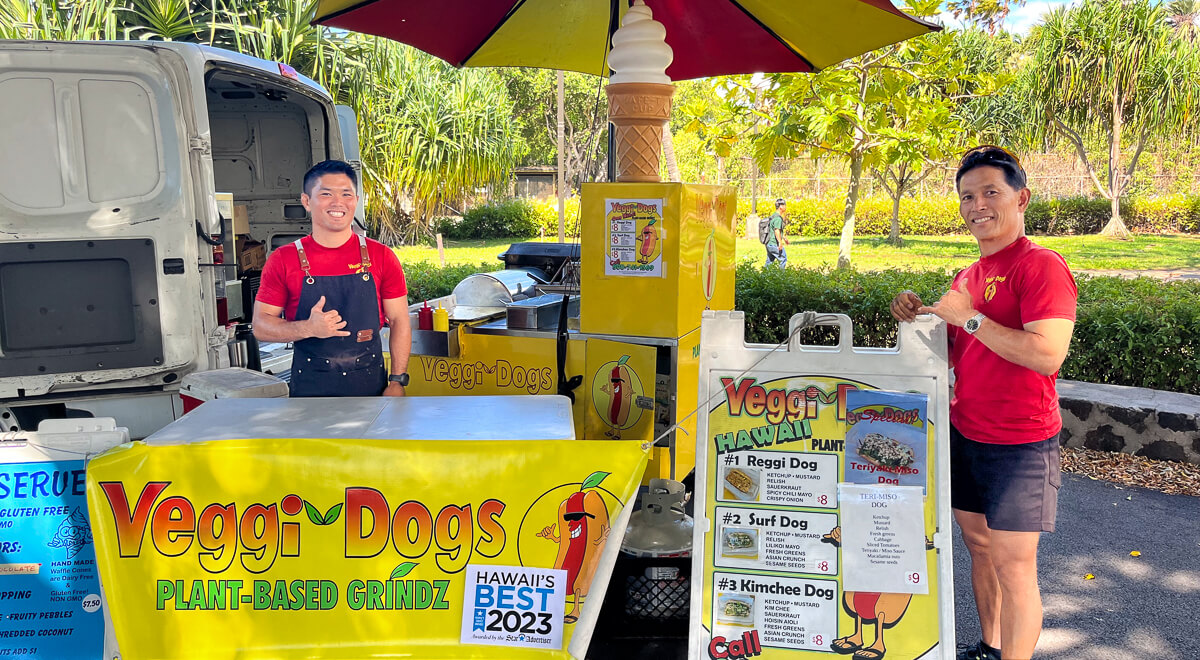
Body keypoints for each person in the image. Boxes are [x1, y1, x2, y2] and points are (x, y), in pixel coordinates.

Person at [890, 146, 1076, 660]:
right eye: (968, 196)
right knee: (979, 548)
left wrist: (969, 318)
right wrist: (918, 317)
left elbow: (1046, 354)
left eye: (991, 192)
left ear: (1022, 198)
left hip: (1020, 442)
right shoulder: (969, 276)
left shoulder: (1042, 267)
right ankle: (989, 646)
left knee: (1016, 567)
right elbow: (955, 349)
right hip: (965, 432)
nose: (978, 205)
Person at [252, 160, 412, 397]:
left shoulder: (382, 256)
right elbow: (261, 327)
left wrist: (397, 381)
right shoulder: (283, 259)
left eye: (346, 194)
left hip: (371, 385)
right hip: (310, 389)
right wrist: (308, 328)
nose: (338, 202)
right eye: (326, 194)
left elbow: (399, 320)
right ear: (306, 201)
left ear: (356, 201)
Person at [765, 198, 789, 268]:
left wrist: (784, 238)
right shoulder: (778, 219)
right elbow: (776, 231)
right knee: (783, 259)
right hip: (774, 244)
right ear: (781, 207)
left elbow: (775, 229)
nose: (785, 207)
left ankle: (763, 276)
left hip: (769, 244)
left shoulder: (773, 216)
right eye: (784, 205)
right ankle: (781, 277)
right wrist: (780, 242)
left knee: (769, 261)